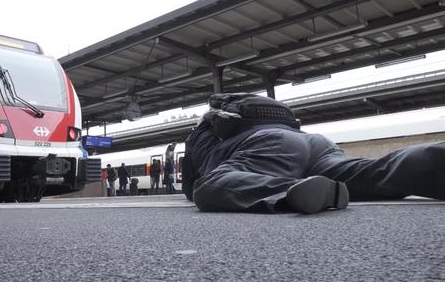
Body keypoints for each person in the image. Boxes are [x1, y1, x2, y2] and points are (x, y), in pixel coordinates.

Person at [182, 92, 445, 214]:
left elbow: (192, 184)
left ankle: (294, 191)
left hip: (269, 148)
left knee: (207, 188)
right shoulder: (266, 113)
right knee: (376, 172)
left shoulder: (203, 130)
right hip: (317, 143)